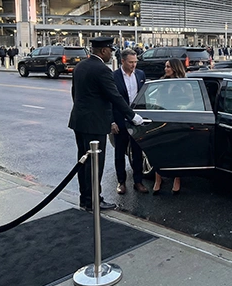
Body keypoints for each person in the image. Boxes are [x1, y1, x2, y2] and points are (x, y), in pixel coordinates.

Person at [68, 37, 144, 212]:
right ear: (103, 51)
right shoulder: (102, 69)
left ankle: (85, 199)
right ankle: (95, 200)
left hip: (79, 122)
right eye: (110, 50)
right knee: (95, 164)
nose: (111, 53)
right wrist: (132, 116)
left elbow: (75, 94)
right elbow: (114, 96)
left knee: (83, 163)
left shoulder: (80, 66)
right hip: (95, 125)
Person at [111, 48, 149, 194]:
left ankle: (138, 181)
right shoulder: (114, 77)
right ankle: (121, 182)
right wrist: (112, 121)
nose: (134, 65)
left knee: (138, 152)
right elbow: (109, 101)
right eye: (131, 62)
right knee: (120, 152)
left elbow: (143, 97)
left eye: (135, 62)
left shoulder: (140, 74)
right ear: (122, 61)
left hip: (136, 119)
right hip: (120, 119)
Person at [152, 58, 184, 195]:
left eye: (169, 67)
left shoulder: (184, 84)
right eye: (165, 67)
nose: (166, 69)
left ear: (175, 68)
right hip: (162, 118)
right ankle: (158, 179)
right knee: (160, 148)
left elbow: (191, 101)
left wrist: (183, 107)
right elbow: (157, 100)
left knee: (176, 150)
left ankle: (177, 179)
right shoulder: (162, 82)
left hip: (177, 119)